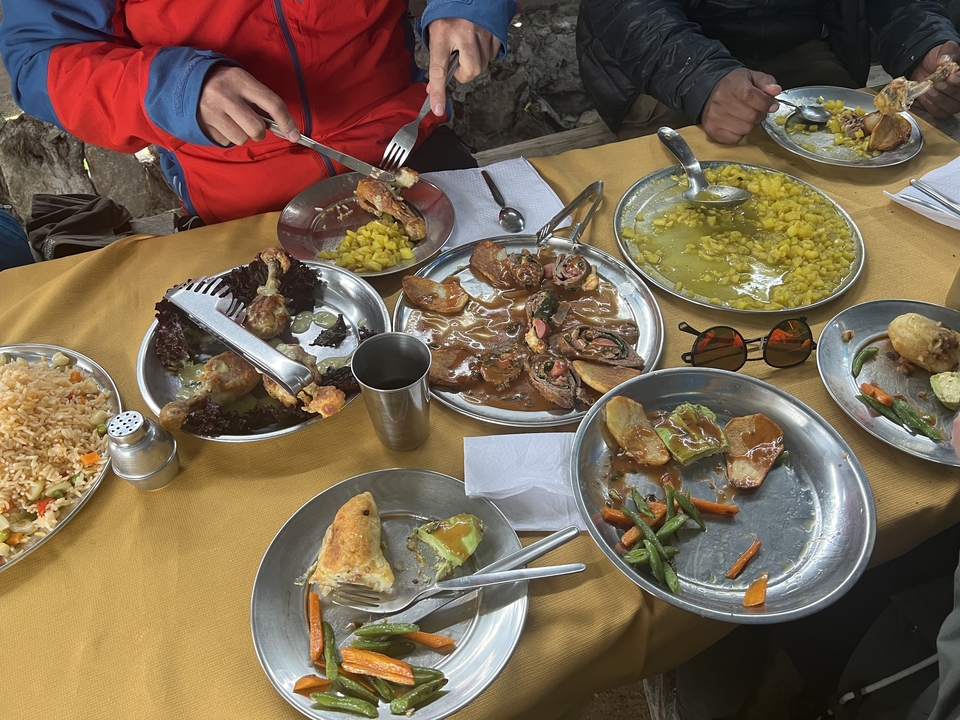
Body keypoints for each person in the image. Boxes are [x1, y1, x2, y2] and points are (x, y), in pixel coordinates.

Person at [0, 1, 517, 225]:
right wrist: (174, 88)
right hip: (242, 202)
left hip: (410, 149)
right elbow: (37, 58)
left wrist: (469, 1)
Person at [576, 0, 960, 145]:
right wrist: (701, 80)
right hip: (662, 57)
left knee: (861, 163)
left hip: (795, 44)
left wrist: (923, 42)